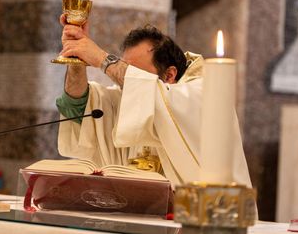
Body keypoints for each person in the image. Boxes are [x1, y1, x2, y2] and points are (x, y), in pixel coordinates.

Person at [56, 16, 252, 187]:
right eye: (128, 71)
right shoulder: (132, 97)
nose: (130, 81)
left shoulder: (202, 97)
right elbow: (79, 105)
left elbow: (152, 93)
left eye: (136, 74)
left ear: (169, 74)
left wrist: (101, 58)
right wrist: (77, 59)